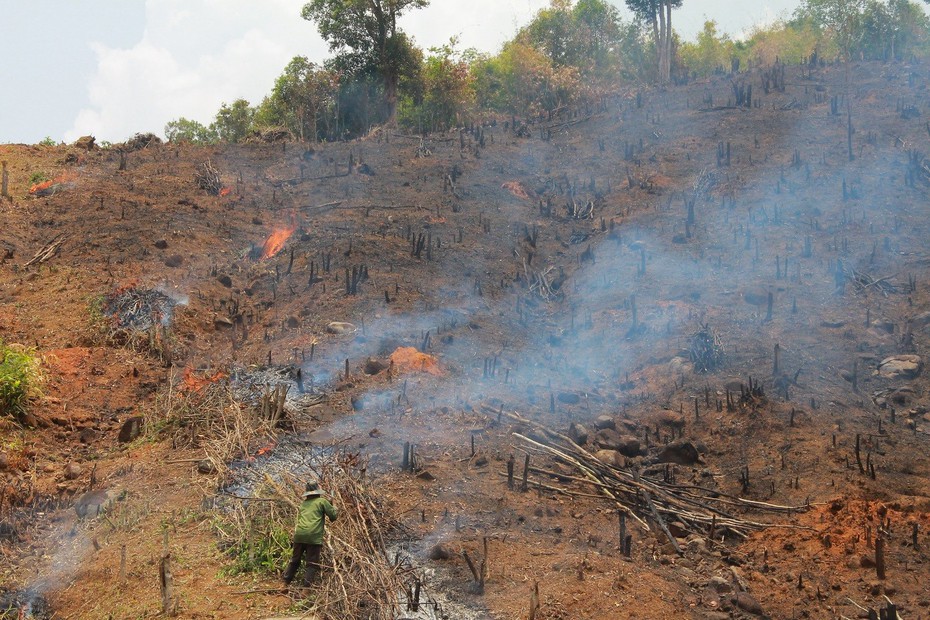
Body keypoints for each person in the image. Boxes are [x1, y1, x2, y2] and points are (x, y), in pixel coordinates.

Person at [283, 480, 338, 590]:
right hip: (313, 536)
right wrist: (334, 506)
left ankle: (284, 583)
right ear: (318, 491)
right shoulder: (322, 501)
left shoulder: (303, 503)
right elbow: (333, 517)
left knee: (295, 560)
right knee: (312, 563)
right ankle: (306, 589)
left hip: (299, 535)